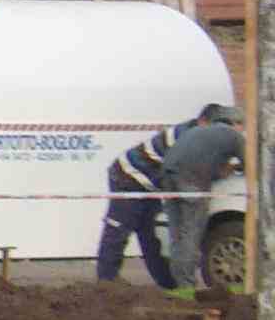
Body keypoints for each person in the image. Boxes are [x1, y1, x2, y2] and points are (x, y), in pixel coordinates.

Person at [97, 103, 243, 292]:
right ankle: (106, 281)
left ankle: (168, 283)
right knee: (118, 228)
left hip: (151, 184)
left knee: (150, 234)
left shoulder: (196, 134)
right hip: (128, 176)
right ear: (203, 121)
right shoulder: (185, 136)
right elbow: (188, 168)